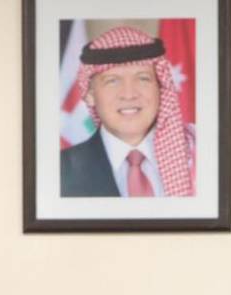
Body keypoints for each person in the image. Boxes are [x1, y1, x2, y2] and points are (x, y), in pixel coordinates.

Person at [60, 26, 195, 198]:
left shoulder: (198, 158)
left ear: (161, 87)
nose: (129, 94)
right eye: (113, 81)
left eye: (143, 78)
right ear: (90, 95)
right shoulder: (59, 172)